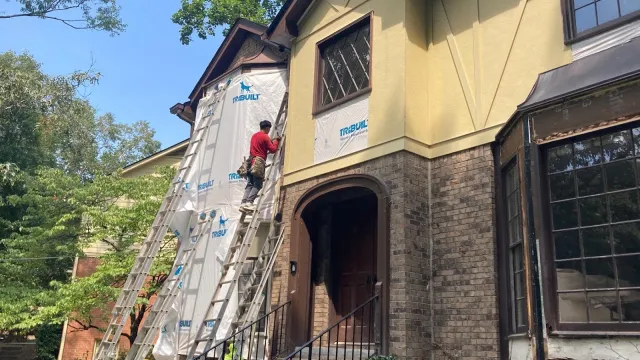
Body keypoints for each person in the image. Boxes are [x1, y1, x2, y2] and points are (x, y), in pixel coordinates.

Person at [240, 120, 281, 212]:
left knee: (250, 184)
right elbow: (273, 149)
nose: (269, 131)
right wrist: (276, 141)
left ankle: (243, 203)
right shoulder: (265, 137)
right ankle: (249, 202)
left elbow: (260, 146)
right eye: (269, 129)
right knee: (258, 184)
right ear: (267, 128)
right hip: (258, 162)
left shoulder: (254, 136)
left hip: (250, 162)